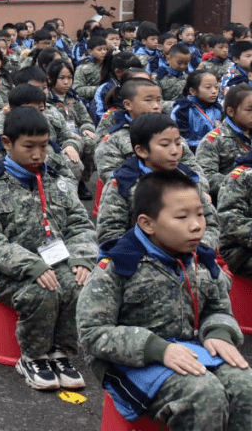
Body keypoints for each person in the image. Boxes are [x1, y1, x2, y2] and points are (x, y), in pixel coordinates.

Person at [77, 171, 252, 430]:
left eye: (200, 214)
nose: (196, 225)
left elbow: (217, 307)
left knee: (244, 385)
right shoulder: (118, 266)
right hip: (129, 363)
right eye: (182, 217)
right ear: (147, 223)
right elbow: (91, 333)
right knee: (202, 394)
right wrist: (158, 349)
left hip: (190, 348)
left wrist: (217, 331)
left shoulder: (200, 260)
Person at [0, 107, 96, 391]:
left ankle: (59, 351)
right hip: (5, 268)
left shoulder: (58, 181)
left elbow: (80, 226)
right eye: (29, 147)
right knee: (43, 291)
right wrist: (30, 265)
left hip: (55, 260)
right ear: (7, 143)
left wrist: (81, 258)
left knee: (77, 284)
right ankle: (33, 355)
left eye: (44, 146)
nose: (38, 155)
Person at [96, 113, 216, 250]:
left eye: (178, 143)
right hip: (142, 262)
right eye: (165, 144)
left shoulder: (186, 179)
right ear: (141, 151)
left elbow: (210, 223)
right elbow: (110, 234)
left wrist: (198, 248)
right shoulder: (123, 184)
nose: (175, 151)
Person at [196, 83, 252, 200]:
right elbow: (206, 177)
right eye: (249, 110)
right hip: (232, 202)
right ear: (231, 111)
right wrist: (240, 181)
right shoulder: (213, 140)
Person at [170, 70, 222, 152]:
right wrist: (209, 143)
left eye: (216, 87)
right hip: (192, 153)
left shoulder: (217, 107)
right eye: (208, 87)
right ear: (193, 91)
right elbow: (180, 138)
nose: (214, 91)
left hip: (216, 151)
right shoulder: (182, 109)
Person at [72, 34, 109, 102]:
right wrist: (99, 90)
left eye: (105, 49)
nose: (103, 52)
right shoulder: (83, 68)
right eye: (99, 50)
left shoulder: (110, 64)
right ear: (90, 51)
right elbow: (77, 88)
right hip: (91, 101)